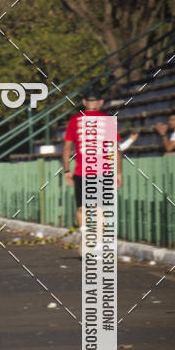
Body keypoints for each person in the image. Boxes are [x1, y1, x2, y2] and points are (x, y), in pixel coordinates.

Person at [62, 89, 122, 252]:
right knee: (99, 209)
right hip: (98, 171)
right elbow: (115, 149)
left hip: (85, 172)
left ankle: (89, 241)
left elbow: (66, 148)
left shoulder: (76, 120)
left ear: (83, 102)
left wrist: (66, 170)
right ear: (101, 102)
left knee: (83, 209)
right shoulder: (108, 121)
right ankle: (95, 243)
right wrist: (118, 173)